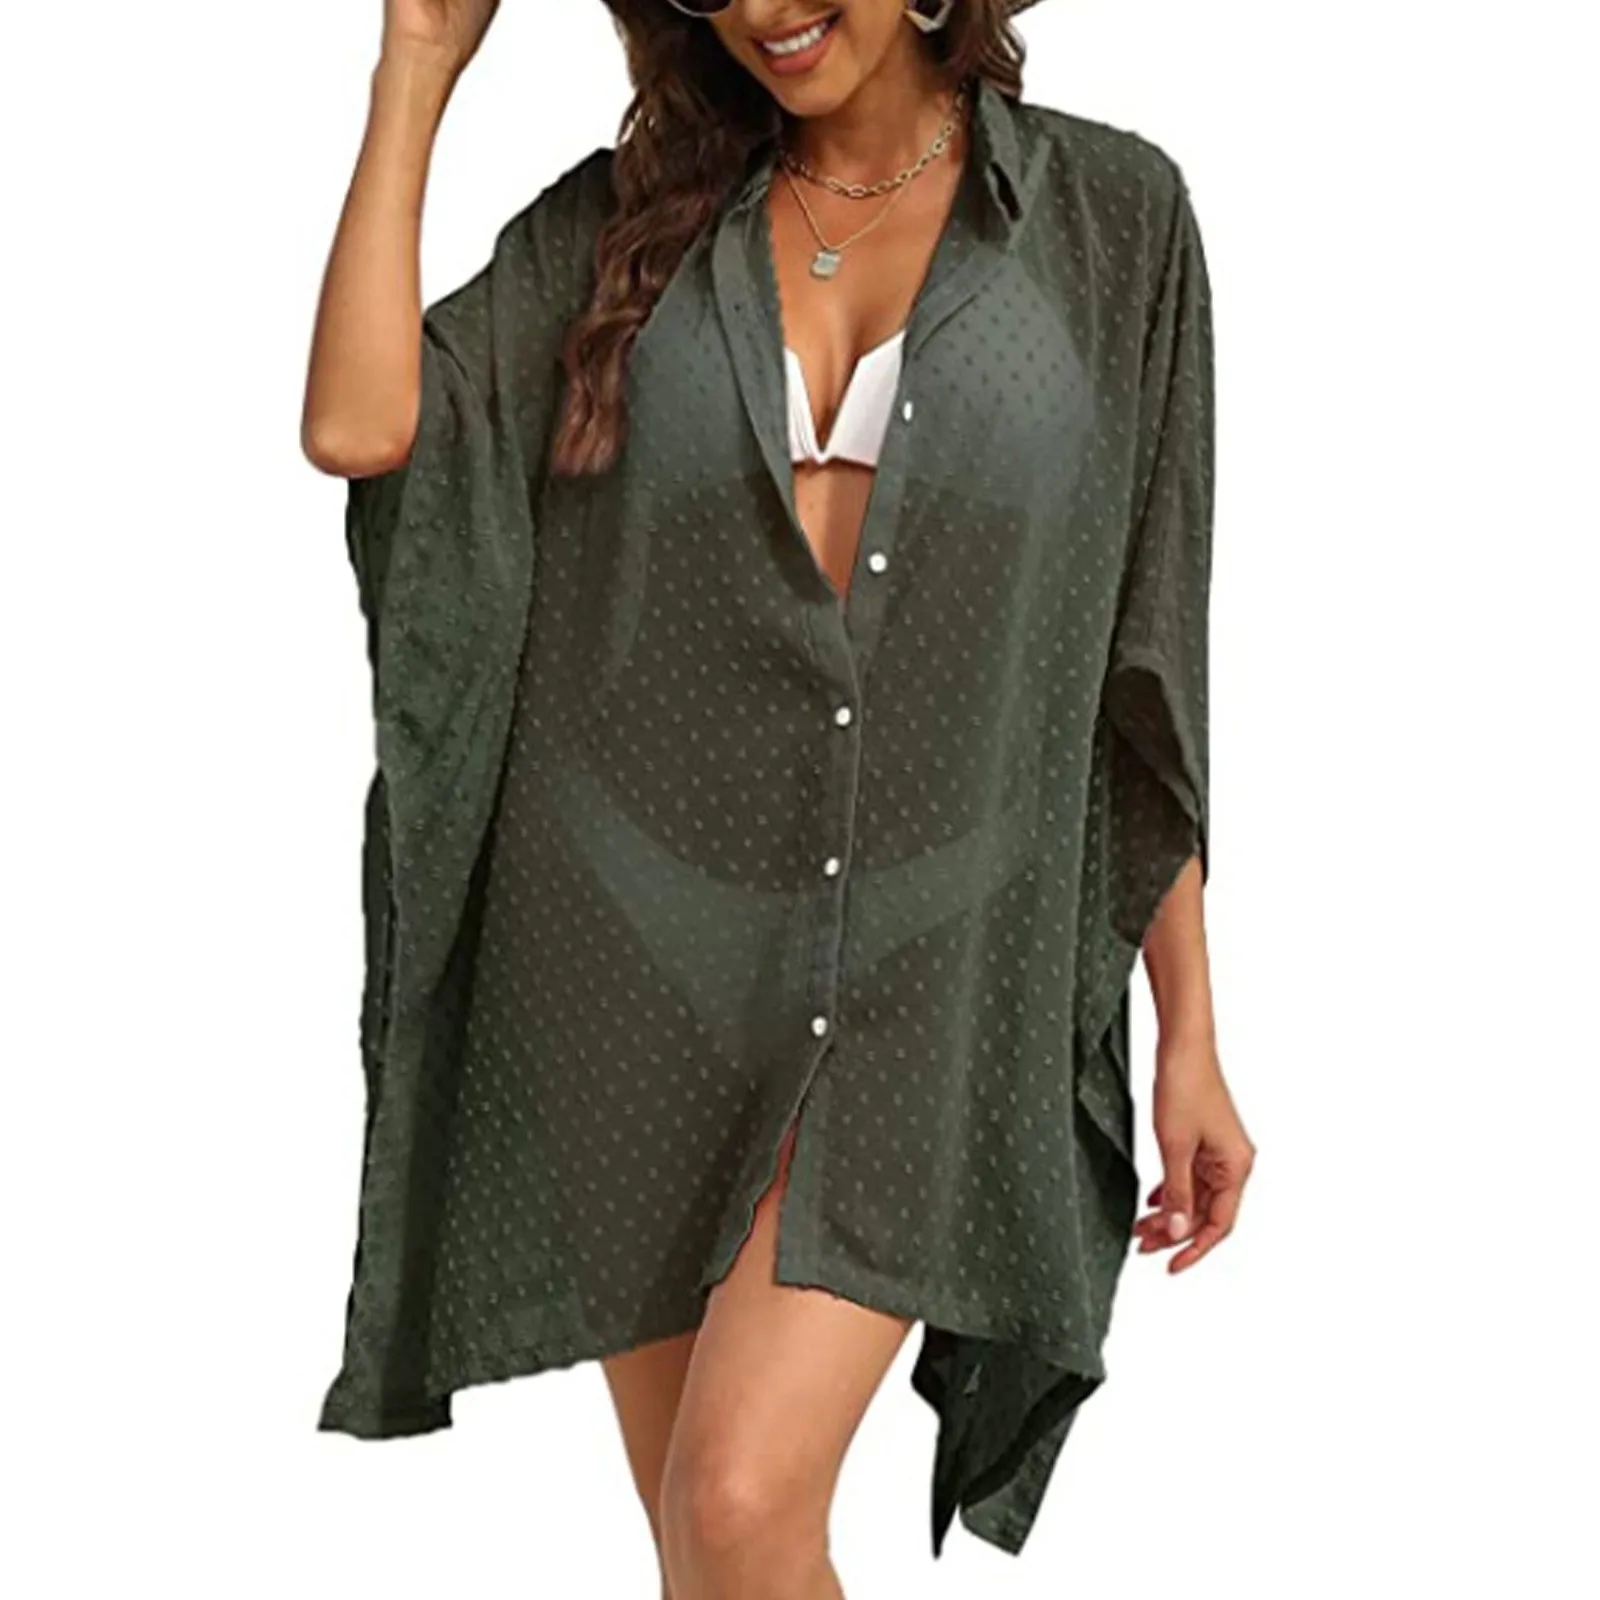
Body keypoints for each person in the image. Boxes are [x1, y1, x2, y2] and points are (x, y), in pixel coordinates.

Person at [301, 1, 1256, 1593]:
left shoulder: (1113, 218)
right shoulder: (628, 225)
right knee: (717, 1543)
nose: (756, 6)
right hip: (631, 959)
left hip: (936, 964)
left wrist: (1190, 1030)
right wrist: (415, 71)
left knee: (735, 1502)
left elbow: (1134, 660)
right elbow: (358, 424)